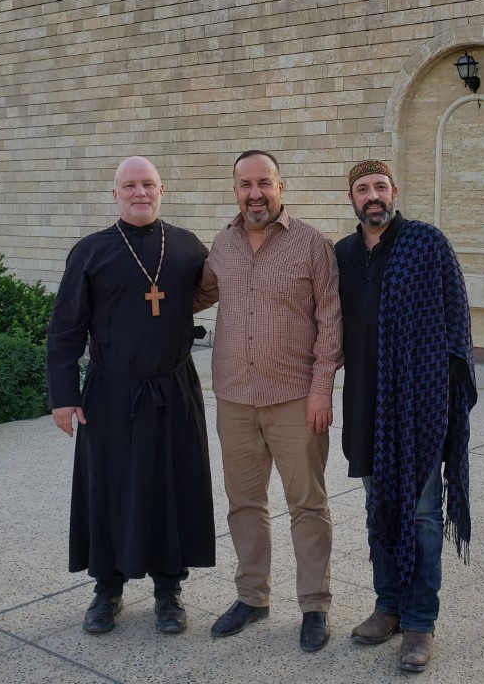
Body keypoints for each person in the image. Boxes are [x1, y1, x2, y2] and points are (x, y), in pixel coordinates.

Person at [46, 156, 215, 636]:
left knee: (171, 485)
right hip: (111, 391)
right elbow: (65, 329)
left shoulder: (185, 247)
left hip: (174, 387)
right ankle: (107, 589)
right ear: (114, 193)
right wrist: (63, 395)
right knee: (108, 486)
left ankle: (169, 591)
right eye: (129, 185)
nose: (140, 192)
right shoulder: (90, 252)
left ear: (162, 190)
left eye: (148, 184)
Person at [194, 150, 342, 653]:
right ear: (235, 190)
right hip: (234, 397)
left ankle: (314, 605)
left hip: (295, 399)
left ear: (281, 186)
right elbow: (198, 293)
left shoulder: (312, 245)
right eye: (244, 184)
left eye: (264, 183)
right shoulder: (223, 243)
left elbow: (331, 321)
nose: (254, 193)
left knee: (307, 504)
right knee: (244, 504)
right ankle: (253, 597)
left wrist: (322, 388)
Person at [334, 160, 477, 674]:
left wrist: (446, 394)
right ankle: (388, 606)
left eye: (379, 187)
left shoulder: (425, 243)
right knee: (379, 508)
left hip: (419, 404)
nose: (372, 196)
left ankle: (419, 624)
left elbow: (457, 320)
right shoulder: (344, 255)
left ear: (394, 191)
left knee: (420, 514)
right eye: (362, 189)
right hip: (366, 404)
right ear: (351, 198)